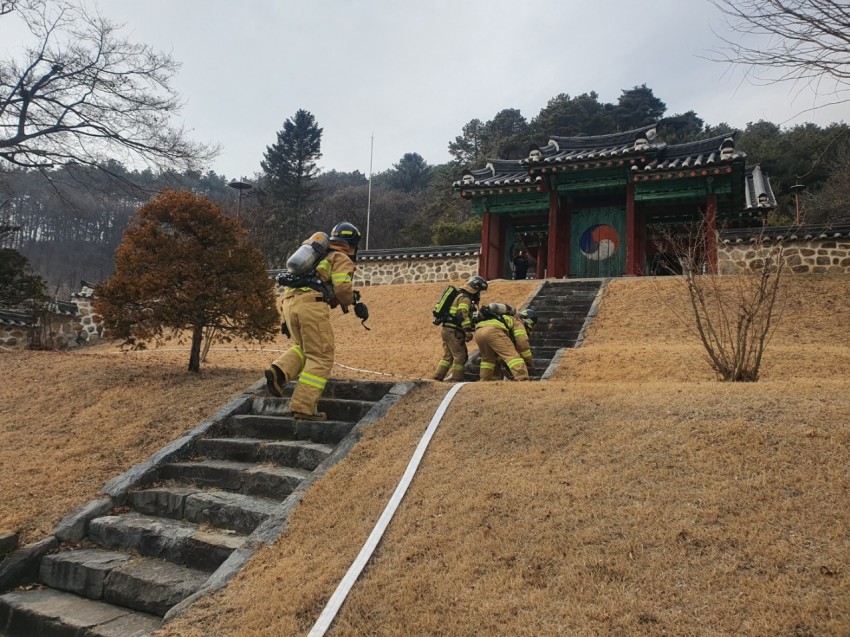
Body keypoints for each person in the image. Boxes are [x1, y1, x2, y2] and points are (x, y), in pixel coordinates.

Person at [264, 222, 365, 421]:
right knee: (321, 357)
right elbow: (342, 290)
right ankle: (303, 407)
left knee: (304, 346)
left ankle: (279, 372)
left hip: (289, 302)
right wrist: (354, 301)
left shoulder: (317, 255)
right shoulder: (340, 257)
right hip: (310, 306)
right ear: (353, 243)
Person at [433, 275, 488, 382]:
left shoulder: (458, 295)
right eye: (479, 291)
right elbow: (462, 314)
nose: (479, 294)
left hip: (446, 329)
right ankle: (456, 378)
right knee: (460, 356)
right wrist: (467, 330)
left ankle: (438, 376)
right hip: (454, 331)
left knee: (448, 356)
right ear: (475, 289)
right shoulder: (465, 298)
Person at [474, 307, 537, 381]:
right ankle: (522, 378)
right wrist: (530, 362)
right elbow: (522, 343)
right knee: (512, 355)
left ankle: (485, 380)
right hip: (493, 330)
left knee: (488, 359)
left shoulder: (505, 317)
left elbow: (500, 355)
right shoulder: (518, 322)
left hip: (478, 331)